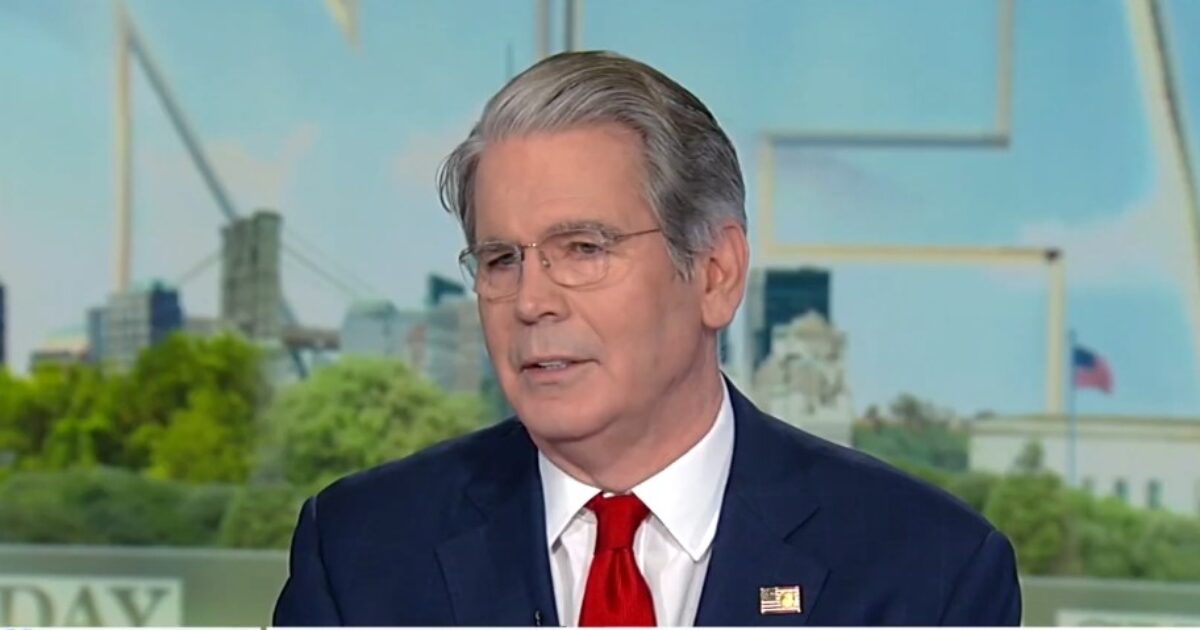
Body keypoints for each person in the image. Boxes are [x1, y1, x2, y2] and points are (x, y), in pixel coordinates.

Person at [273, 50, 1021, 627]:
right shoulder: (359, 551)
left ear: (716, 272)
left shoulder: (927, 573)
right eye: (501, 260)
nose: (531, 300)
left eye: (584, 250)